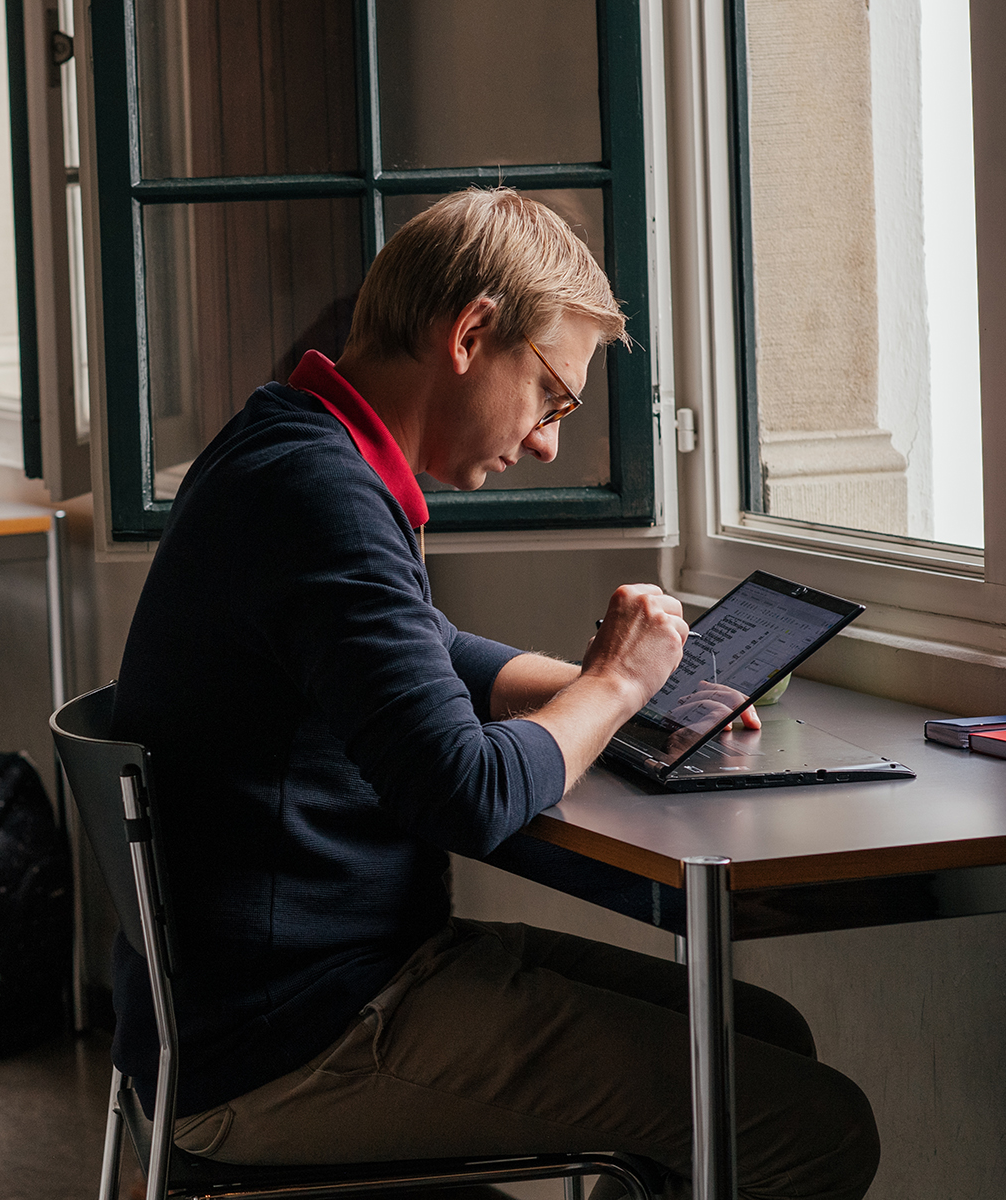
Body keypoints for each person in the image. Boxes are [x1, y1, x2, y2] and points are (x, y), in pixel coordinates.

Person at [109, 189, 878, 1199]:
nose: (550, 440)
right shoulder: (323, 497)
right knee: (811, 1128)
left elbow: (422, 645)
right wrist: (610, 684)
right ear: (471, 332)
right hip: (294, 1039)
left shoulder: (282, 441)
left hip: (261, 999)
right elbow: (461, 793)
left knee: (757, 1035)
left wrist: (624, 691)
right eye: (552, 395)